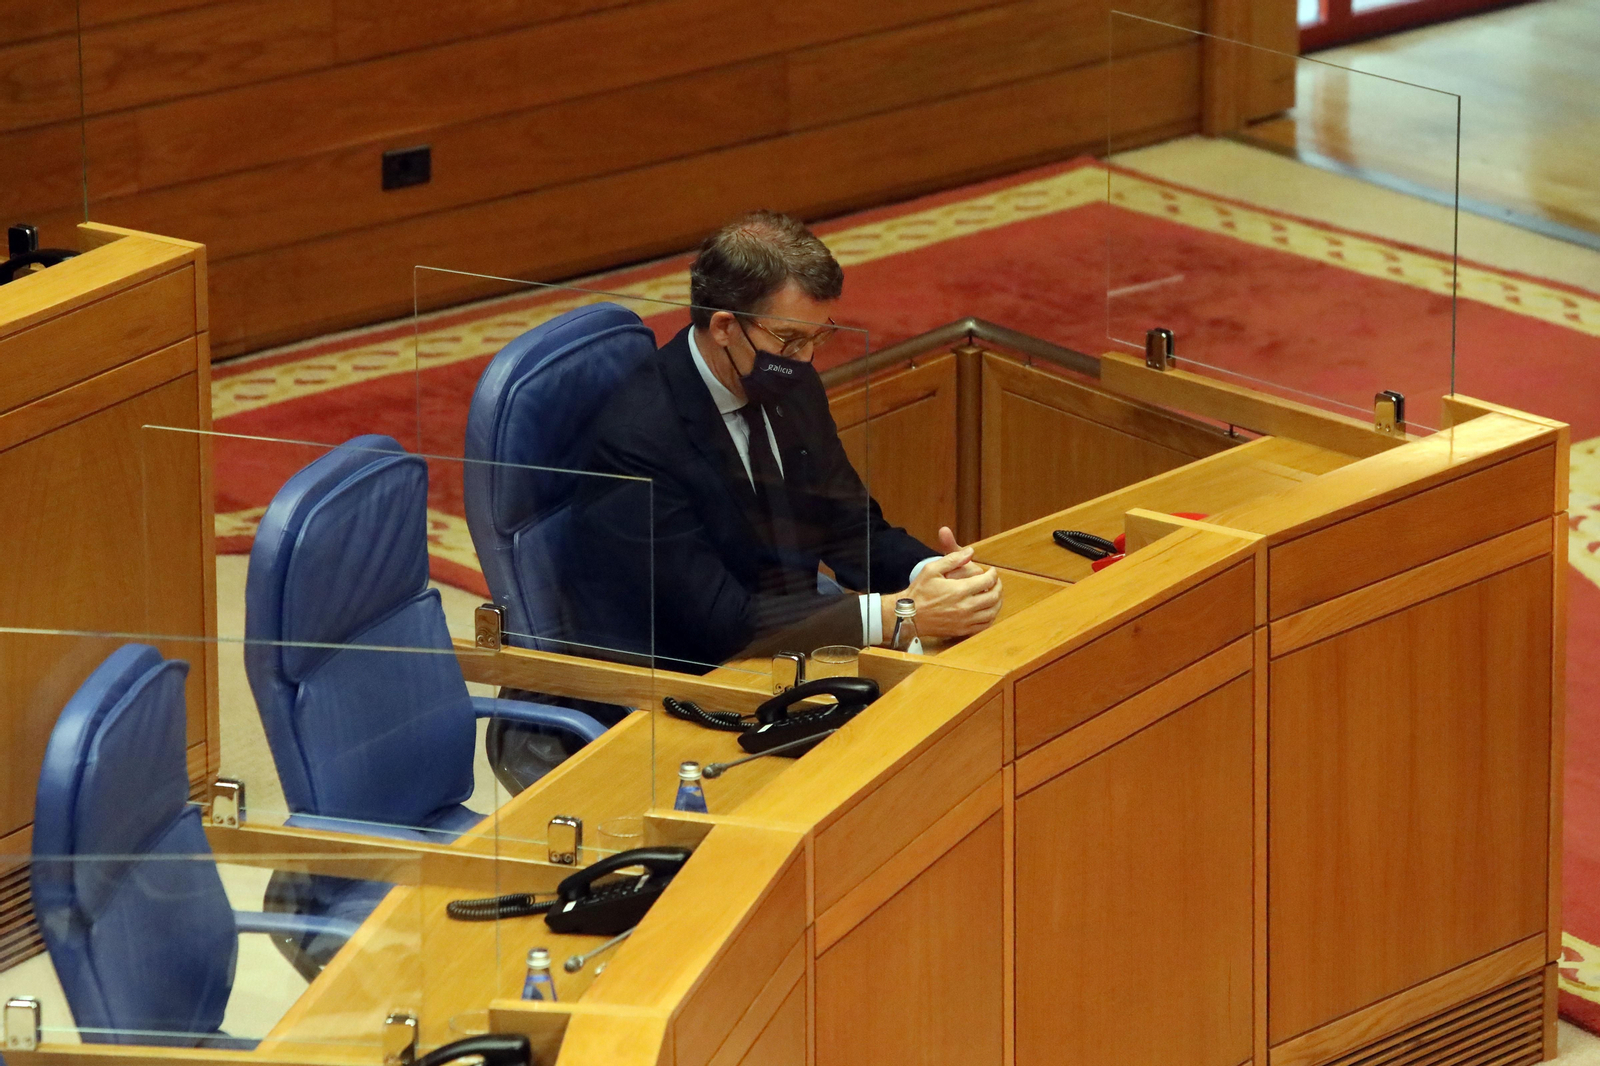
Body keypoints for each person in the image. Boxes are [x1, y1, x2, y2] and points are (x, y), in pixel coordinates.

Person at [566, 210, 1002, 673]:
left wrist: (935, 578)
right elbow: (718, 622)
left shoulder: (788, 385)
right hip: (684, 679)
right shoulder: (638, 442)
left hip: (787, 649)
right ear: (724, 327)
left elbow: (848, 527)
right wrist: (899, 614)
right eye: (789, 340)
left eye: (817, 337)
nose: (806, 360)